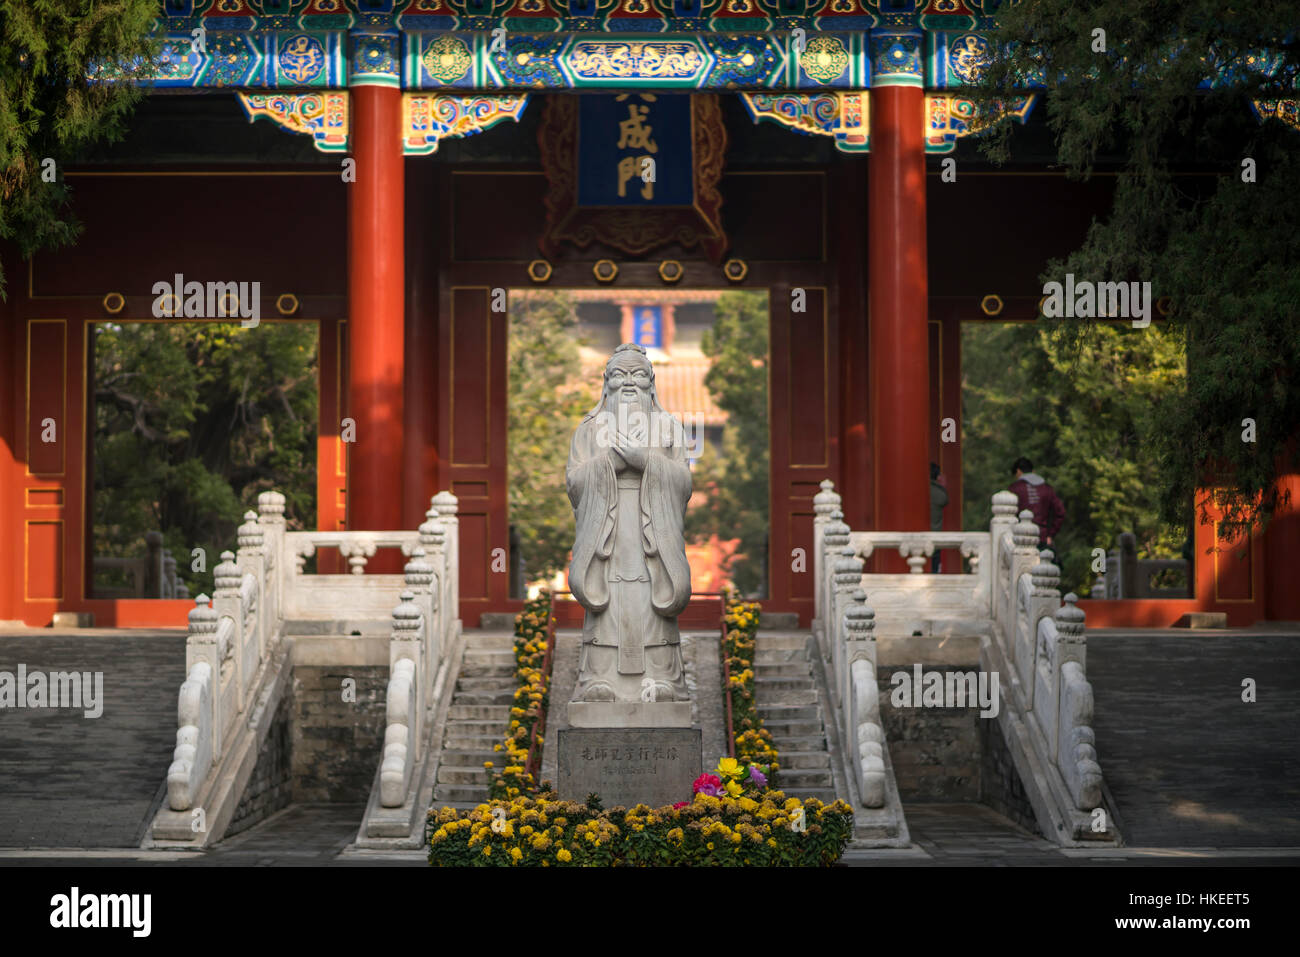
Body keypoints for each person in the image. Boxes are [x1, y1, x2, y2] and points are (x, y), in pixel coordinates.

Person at [566, 344, 692, 704]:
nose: (629, 383)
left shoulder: (668, 427)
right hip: (607, 530)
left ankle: (662, 677)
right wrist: (608, 465)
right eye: (619, 376)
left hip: (653, 531)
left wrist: (646, 463)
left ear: (651, 384)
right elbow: (574, 482)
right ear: (606, 384)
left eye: (638, 375)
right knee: (608, 595)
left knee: (652, 592)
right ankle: (597, 679)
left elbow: (683, 483)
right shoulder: (589, 430)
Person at [1009, 456, 1065, 548]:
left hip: (1021, 539)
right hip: (1042, 538)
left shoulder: (1014, 488)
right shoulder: (1047, 488)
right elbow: (1060, 512)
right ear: (1033, 471)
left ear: (1018, 471)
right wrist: (1050, 534)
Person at [930, 462, 948, 572]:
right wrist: (942, 485)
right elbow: (944, 499)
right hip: (934, 533)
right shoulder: (937, 492)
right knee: (934, 565)